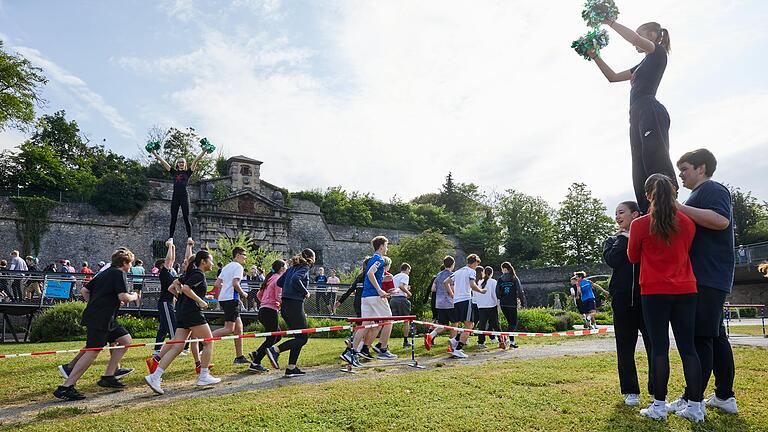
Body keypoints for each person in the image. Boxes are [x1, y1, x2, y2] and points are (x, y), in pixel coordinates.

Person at [627, 173, 703, 422]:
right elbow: (686, 250)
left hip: (654, 290)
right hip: (686, 289)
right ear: (673, 194)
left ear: (648, 195)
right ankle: (695, 406)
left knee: (659, 349)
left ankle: (659, 406)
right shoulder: (688, 223)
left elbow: (633, 258)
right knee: (688, 348)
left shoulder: (639, 225)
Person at [668, 149, 738, 415]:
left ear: (702, 168)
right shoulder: (697, 195)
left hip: (708, 276)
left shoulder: (713, 189)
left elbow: (721, 221)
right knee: (716, 336)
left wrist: (678, 206)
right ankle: (724, 396)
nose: (681, 175)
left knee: (700, 338)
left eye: (685, 169)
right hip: (707, 276)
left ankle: (692, 398)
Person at [587, 20, 676, 213]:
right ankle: (647, 210)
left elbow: (633, 39)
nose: (636, 41)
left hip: (649, 108)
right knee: (639, 164)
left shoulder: (657, 52)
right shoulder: (641, 65)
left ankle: (668, 202)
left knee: (654, 157)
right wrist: (595, 56)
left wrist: (608, 21)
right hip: (635, 115)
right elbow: (612, 77)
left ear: (652, 35)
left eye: (640, 34)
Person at [53, 249, 139, 401]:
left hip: (105, 317)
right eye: (130, 263)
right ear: (124, 263)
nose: (130, 266)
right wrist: (134, 295)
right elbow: (123, 297)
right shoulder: (118, 273)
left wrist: (94, 303)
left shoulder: (104, 273)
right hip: (101, 318)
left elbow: (85, 290)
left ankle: (108, 376)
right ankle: (66, 387)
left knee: (125, 340)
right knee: (93, 351)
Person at [144, 250, 221, 395]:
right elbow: (185, 288)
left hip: (182, 312)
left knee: (178, 345)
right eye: (210, 260)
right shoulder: (198, 274)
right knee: (208, 341)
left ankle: (155, 376)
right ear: (203, 262)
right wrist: (201, 301)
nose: (212, 263)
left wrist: (180, 297)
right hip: (192, 312)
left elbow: (173, 286)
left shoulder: (190, 274)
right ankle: (204, 375)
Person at [603, 201, 654, 407]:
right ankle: (630, 391)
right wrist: (624, 238)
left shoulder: (648, 236)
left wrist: (636, 235)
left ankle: (656, 391)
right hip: (622, 301)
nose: (617, 216)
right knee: (625, 348)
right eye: (615, 213)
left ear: (636, 214)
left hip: (647, 299)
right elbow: (613, 260)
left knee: (654, 346)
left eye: (621, 212)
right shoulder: (612, 240)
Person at [345, 237, 398, 364]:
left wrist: (382, 281)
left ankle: (350, 352)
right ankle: (383, 349)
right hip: (375, 295)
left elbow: (370, 275)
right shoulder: (379, 259)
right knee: (389, 320)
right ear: (381, 247)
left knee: (365, 324)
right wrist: (379, 289)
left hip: (366, 296)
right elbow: (370, 273)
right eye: (386, 245)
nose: (387, 248)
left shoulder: (372, 259)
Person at [265, 248, 316, 377]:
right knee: (303, 338)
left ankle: (291, 368)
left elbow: (279, 282)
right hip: (294, 305)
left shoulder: (291, 269)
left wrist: (289, 288)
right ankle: (275, 350)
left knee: (298, 337)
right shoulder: (304, 268)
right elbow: (295, 280)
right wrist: (305, 292)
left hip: (285, 306)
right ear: (311, 258)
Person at [150, 149, 206, 243]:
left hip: (184, 196)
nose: (181, 163)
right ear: (177, 163)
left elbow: (196, 160)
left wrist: (204, 151)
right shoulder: (174, 172)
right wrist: (154, 153)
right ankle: (171, 238)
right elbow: (163, 162)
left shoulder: (187, 173)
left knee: (186, 217)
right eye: (179, 162)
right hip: (175, 196)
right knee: (173, 217)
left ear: (185, 164)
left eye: (182, 162)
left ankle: (189, 237)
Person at [211, 247, 250, 365]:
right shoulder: (238, 267)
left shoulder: (227, 266)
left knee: (239, 327)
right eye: (244, 255)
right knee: (229, 329)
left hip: (224, 298)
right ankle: (203, 340)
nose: (245, 257)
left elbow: (217, 284)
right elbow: (235, 283)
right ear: (237, 255)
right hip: (230, 299)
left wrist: (226, 288)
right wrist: (243, 293)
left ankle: (239, 357)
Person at [445, 254, 486, 359]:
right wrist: (481, 291)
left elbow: (446, 282)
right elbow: (472, 285)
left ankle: (455, 340)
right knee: (469, 325)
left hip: (457, 301)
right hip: (466, 300)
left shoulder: (458, 271)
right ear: (474, 262)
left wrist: (452, 294)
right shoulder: (471, 271)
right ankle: (458, 349)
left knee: (467, 324)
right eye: (477, 263)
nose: (477, 266)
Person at [249, 259, 286, 372]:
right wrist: (284, 305)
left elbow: (259, 295)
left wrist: (265, 301)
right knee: (272, 338)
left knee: (277, 335)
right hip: (270, 311)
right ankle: (256, 363)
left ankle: (257, 353)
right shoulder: (278, 279)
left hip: (263, 310)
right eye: (285, 267)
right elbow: (278, 297)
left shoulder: (269, 278)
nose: (286, 270)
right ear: (281, 269)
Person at [424, 257, 456, 351]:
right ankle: (452, 346)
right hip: (450, 302)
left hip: (439, 303)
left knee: (442, 324)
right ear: (453, 265)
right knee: (455, 323)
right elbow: (453, 289)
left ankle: (430, 335)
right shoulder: (452, 275)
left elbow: (433, 289)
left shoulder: (438, 275)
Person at [497, 262, 525, 349]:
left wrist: (501, 297)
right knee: (513, 323)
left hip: (503, 304)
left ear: (503, 269)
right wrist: (523, 302)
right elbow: (520, 291)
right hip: (512, 304)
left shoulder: (500, 279)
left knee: (510, 323)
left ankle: (508, 339)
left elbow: (497, 292)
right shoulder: (514, 278)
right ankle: (511, 341)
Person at [474, 266, 502, 349]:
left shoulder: (479, 282)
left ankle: (480, 342)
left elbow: (476, 294)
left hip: (481, 306)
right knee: (495, 324)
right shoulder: (493, 282)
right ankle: (501, 340)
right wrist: (497, 304)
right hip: (491, 305)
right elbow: (495, 294)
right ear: (492, 273)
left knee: (482, 324)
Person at [389, 263, 413, 348]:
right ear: (406, 269)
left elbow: (395, 287)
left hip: (393, 299)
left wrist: (406, 288)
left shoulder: (395, 276)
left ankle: (383, 342)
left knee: (390, 321)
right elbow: (401, 286)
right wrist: (408, 293)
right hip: (401, 299)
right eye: (409, 270)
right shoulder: (405, 276)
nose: (409, 272)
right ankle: (405, 341)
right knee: (406, 320)